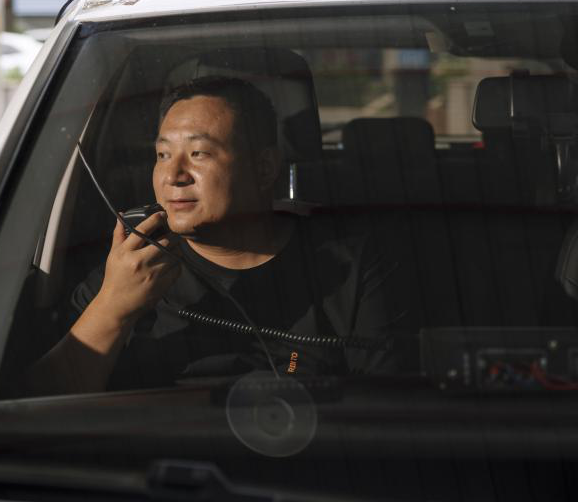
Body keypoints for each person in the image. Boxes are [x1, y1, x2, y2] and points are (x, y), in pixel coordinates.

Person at [29, 76, 397, 395]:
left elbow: (387, 408)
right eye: (162, 155)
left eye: (199, 153)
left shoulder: (351, 266)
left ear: (264, 167)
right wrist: (113, 307)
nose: (173, 176)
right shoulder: (131, 267)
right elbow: (40, 405)